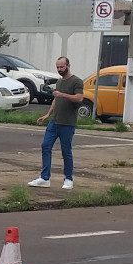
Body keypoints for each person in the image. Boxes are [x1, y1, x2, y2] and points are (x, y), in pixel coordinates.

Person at [29, 56, 85, 190]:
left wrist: (62, 95)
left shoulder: (76, 81)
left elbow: (79, 97)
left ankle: (68, 179)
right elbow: (56, 99)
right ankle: (44, 178)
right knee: (45, 146)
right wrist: (48, 114)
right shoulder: (59, 82)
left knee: (66, 151)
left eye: (62, 67)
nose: (60, 69)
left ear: (68, 65)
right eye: (58, 67)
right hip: (54, 122)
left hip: (68, 123)